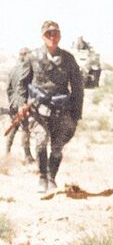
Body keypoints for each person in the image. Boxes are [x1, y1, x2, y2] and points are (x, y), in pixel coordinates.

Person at [16, 22, 84, 193]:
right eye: (48, 34)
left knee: (57, 147)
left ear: (60, 35)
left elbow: (77, 87)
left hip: (62, 110)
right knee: (41, 141)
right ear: (42, 36)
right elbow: (22, 84)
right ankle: (42, 177)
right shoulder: (32, 57)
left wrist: (76, 113)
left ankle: (52, 177)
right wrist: (21, 104)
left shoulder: (68, 59)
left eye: (55, 33)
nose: (52, 37)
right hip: (38, 109)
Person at [5, 48, 34, 163]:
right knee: (25, 129)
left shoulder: (13, 70)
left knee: (14, 126)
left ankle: (7, 150)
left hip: (14, 103)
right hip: (23, 104)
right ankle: (27, 156)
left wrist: (12, 102)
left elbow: (8, 89)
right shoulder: (28, 70)